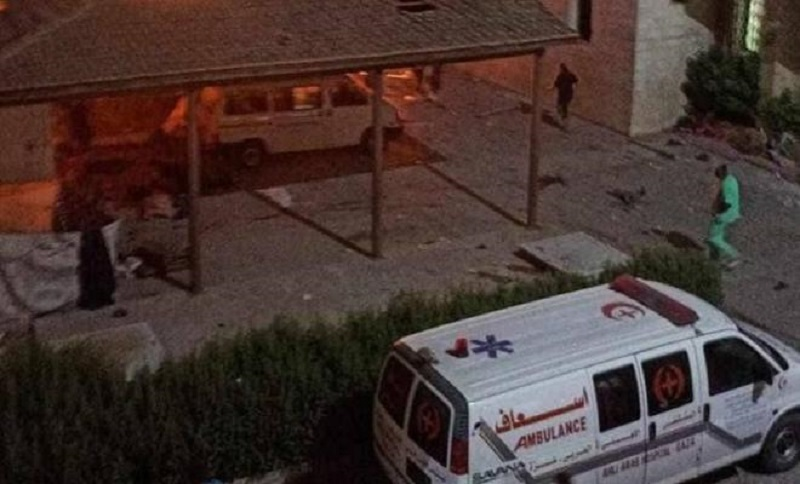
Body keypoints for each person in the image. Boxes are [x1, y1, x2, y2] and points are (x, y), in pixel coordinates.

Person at [707, 164, 741, 268]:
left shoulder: (726, 184)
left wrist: (718, 213)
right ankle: (713, 260)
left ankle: (734, 256)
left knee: (713, 238)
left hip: (724, 215)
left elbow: (727, 202)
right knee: (718, 236)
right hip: (732, 213)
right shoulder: (732, 180)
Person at [551, 63, 578, 129]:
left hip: (563, 94)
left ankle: (563, 121)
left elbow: (556, 84)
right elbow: (576, 80)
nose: (560, 70)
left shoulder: (561, 76)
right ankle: (564, 120)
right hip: (568, 94)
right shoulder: (570, 75)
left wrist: (551, 88)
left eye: (560, 69)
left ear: (561, 69)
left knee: (561, 107)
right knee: (564, 107)